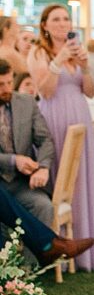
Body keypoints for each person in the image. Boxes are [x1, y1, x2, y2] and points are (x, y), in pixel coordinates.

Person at [27, 4, 94, 271]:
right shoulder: (38, 52)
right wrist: (57, 60)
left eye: (66, 18)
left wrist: (85, 67)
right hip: (53, 119)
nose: (62, 23)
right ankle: (59, 250)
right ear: (45, 25)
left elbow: (89, 92)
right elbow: (46, 92)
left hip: (80, 118)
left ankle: (86, 252)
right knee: (61, 180)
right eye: (56, 19)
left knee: (82, 180)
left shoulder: (77, 51)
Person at [0, 60, 56, 237]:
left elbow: (45, 139)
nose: (7, 89)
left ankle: (31, 265)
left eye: (9, 82)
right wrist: (14, 160)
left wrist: (44, 167)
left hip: (20, 183)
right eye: (1, 84)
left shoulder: (26, 102)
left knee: (43, 206)